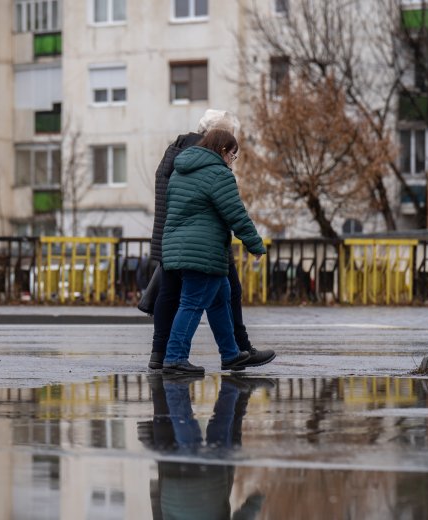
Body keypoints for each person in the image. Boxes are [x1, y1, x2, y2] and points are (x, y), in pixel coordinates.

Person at [147, 110, 275, 371]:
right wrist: (255, 245)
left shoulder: (179, 167)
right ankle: (175, 357)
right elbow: (236, 214)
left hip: (177, 246)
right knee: (192, 303)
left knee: (221, 297)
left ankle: (230, 353)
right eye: (233, 155)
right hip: (201, 251)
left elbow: (168, 208)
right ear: (224, 149)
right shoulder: (218, 174)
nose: (233, 161)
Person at [137, 373, 268, 519]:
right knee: (179, 440)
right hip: (173, 485)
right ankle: (168, 387)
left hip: (211, 482)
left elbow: (244, 516)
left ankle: (232, 390)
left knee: (224, 444)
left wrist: (256, 501)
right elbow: (157, 507)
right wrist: (156, 490)